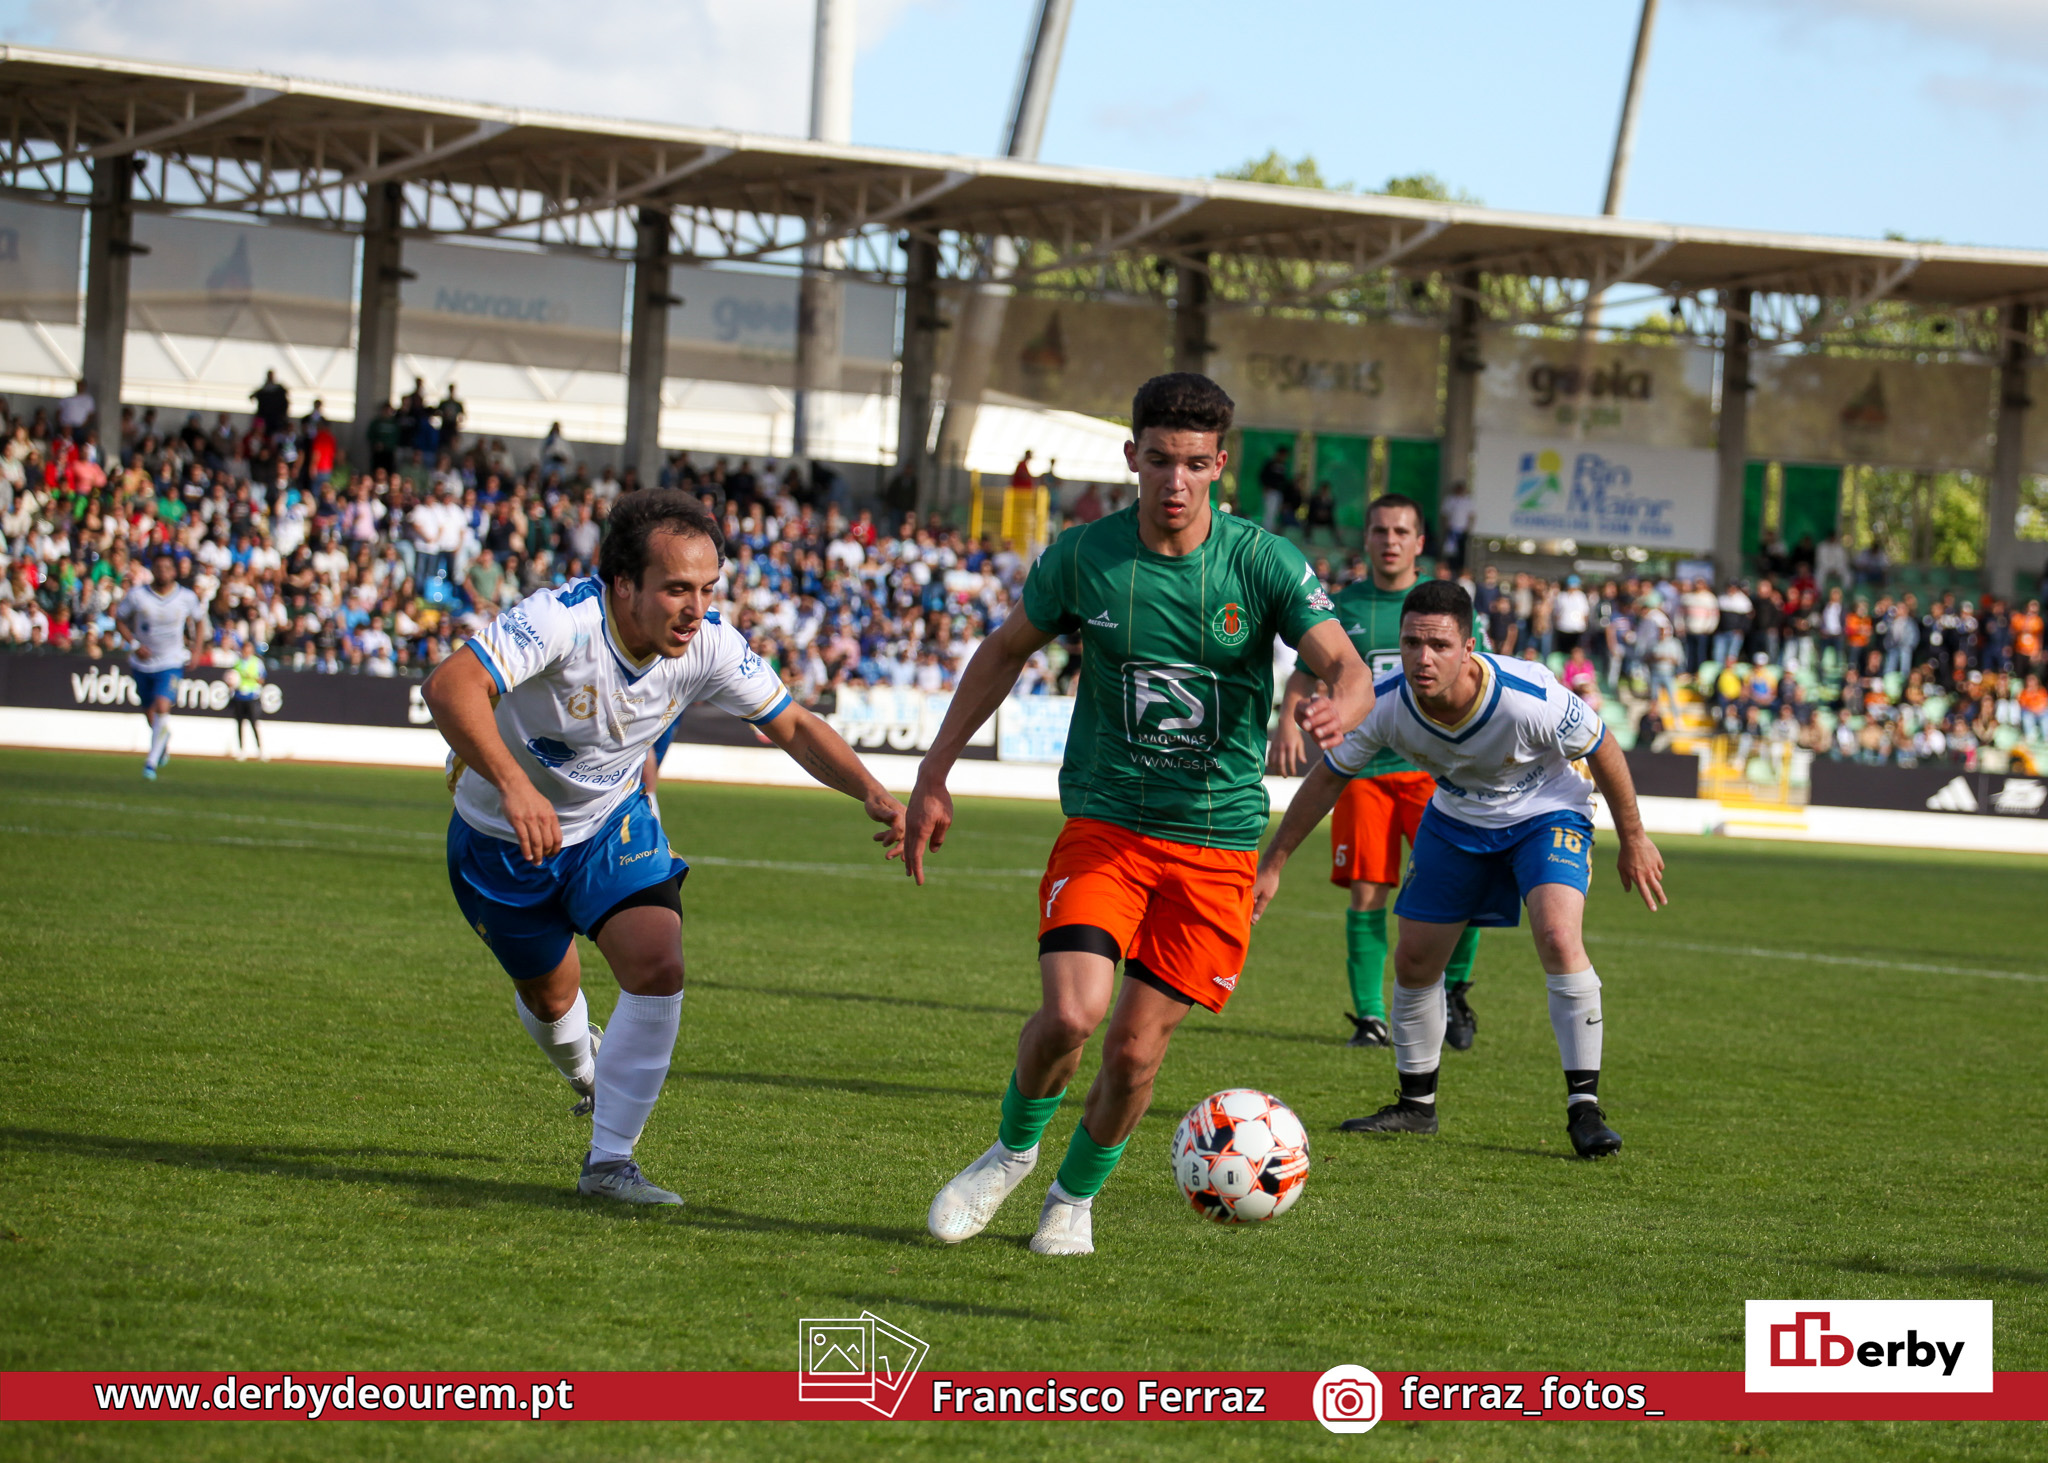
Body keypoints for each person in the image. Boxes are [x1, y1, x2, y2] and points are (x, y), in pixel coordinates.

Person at [905, 373, 1371, 1257]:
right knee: (1071, 1015)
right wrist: (935, 769)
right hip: (1108, 823)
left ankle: (1072, 1198)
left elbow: (1347, 665)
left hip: (1217, 845)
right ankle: (1009, 1152)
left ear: (1220, 465)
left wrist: (1340, 704)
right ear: (1132, 457)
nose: (1176, 480)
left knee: (1133, 1053)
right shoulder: (1085, 556)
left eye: (1194, 463)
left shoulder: (1262, 562)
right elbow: (1003, 651)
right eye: (1159, 460)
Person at [421, 490, 907, 1206]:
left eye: (709, 588)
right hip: (501, 839)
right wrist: (513, 785)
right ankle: (586, 1067)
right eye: (678, 588)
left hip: (610, 823)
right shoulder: (561, 620)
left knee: (658, 962)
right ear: (623, 584)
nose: (696, 608)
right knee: (551, 998)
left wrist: (870, 790)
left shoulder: (710, 642)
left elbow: (793, 724)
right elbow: (449, 685)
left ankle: (609, 1163)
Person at [1252, 579, 1666, 1157]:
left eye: (1439, 645)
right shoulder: (1385, 703)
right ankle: (1416, 1107)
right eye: (1412, 643)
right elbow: (1328, 778)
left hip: (1547, 810)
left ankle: (1585, 1110)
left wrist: (1634, 838)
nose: (1423, 658)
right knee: (1415, 959)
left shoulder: (1526, 694)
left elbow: (1602, 746)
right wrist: (1273, 862)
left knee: (1557, 935)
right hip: (1457, 816)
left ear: (1469, 647)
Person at [1271, 493, 1484, 1050]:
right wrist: (1288, 723)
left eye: (1401, 532)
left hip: (1435, 773)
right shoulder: (1338, 606)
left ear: (1419, 543)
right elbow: (1304, 672)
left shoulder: (1444, 607)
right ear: (1365, 538)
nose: (1390, 541)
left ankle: (1455, 990)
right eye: (1380, 530)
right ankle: (1370, 1017)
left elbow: (1480, 676)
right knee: (1367, 893)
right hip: (1363, 773)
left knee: (1460, 889)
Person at [116, 552, 208, 780]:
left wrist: (197, 650)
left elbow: (199, 621)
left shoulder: (186, 597)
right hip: (142, 663)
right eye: (158, 567)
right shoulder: (138, 595)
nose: (163, 572)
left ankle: (150, 763)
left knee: (162, 706)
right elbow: (119, 618)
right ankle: (162, 743)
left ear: (174, 571)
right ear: (152, 571)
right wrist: (134, 645)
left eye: (167, 568)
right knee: (151, 714)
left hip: (171, 661)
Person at [229, 640, 266, 761]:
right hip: (239, 696)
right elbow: (232, 677)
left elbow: (262, 680)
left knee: (254, 723)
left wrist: (252, 677)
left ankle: (260, 750)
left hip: (251, 696)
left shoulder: (257, 662)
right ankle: (241, 750)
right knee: (240, 724)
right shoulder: (238, 663)